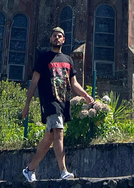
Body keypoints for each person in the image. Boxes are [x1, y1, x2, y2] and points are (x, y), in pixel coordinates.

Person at [21, 27, 93, 181]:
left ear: (63, 40)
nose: (56, 38)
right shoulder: (43, 58)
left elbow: (74, 83)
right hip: (49, 102)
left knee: (49, 138)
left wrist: (85, 95)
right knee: (59, 133)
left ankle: (30, 169)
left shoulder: (68, 60)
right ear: (50, 39)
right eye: (54, 36)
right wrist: (27, 104)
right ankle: (64, 171)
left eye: (59, 36)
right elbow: (33, 83)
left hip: (63, 102)